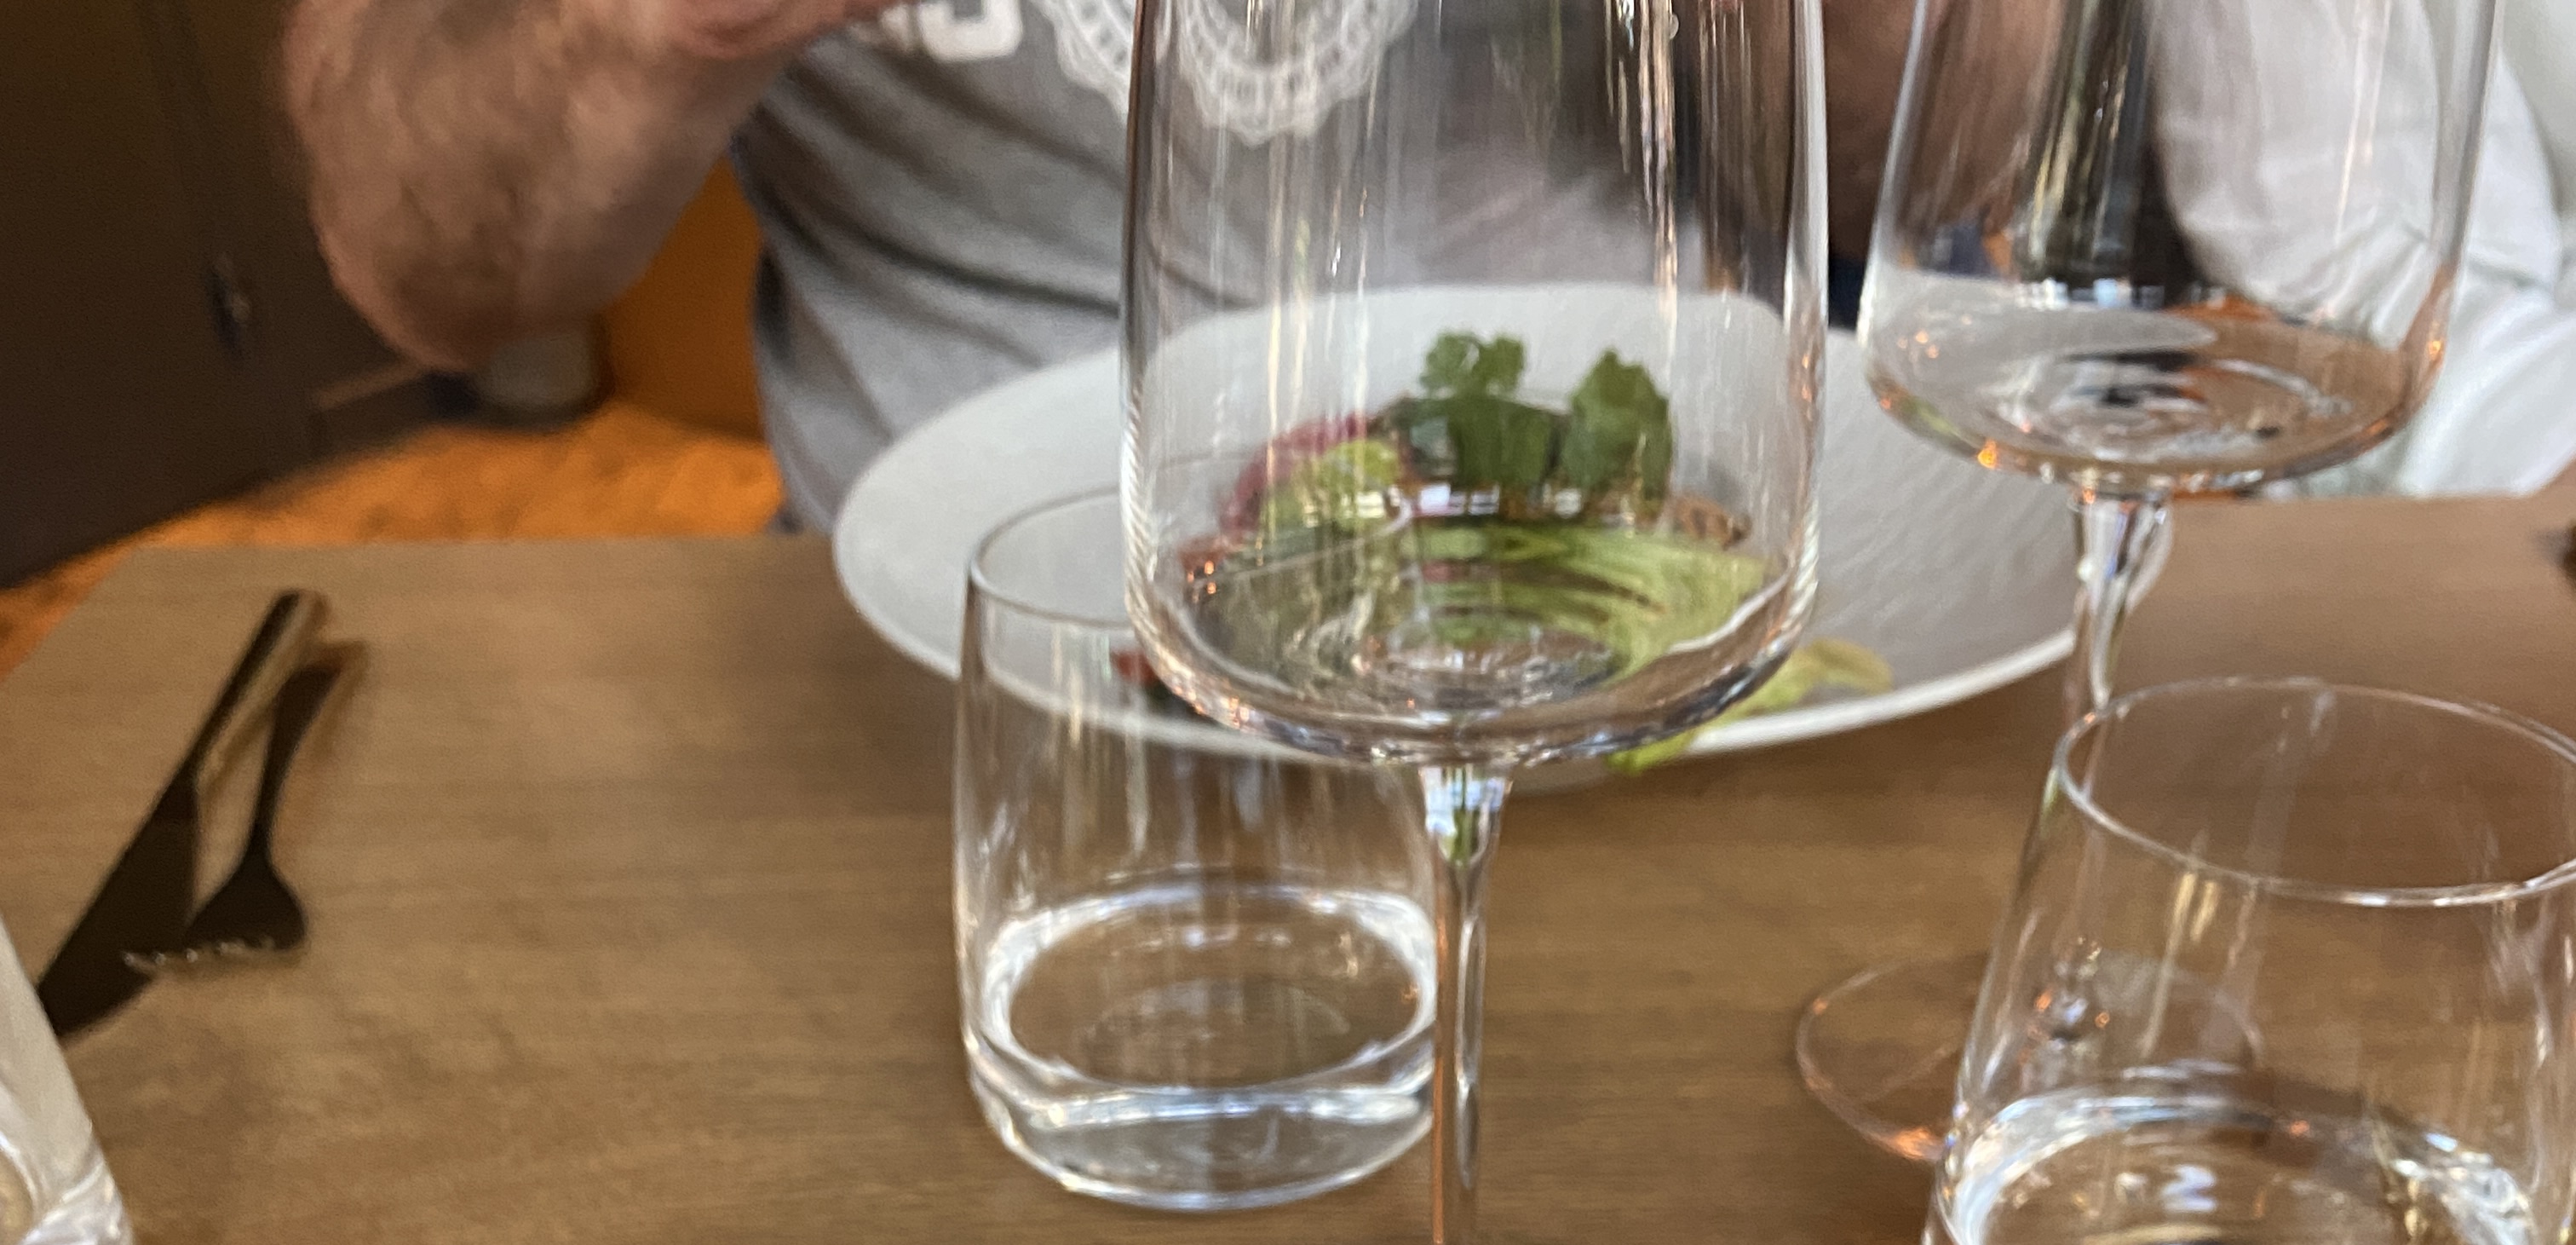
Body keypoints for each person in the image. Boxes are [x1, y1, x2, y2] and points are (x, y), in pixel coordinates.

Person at [286, 0, 2571, 536]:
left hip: (1716, 598)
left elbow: (1948, 166)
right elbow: (416, 268)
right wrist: (638, 29)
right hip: (953, 672)